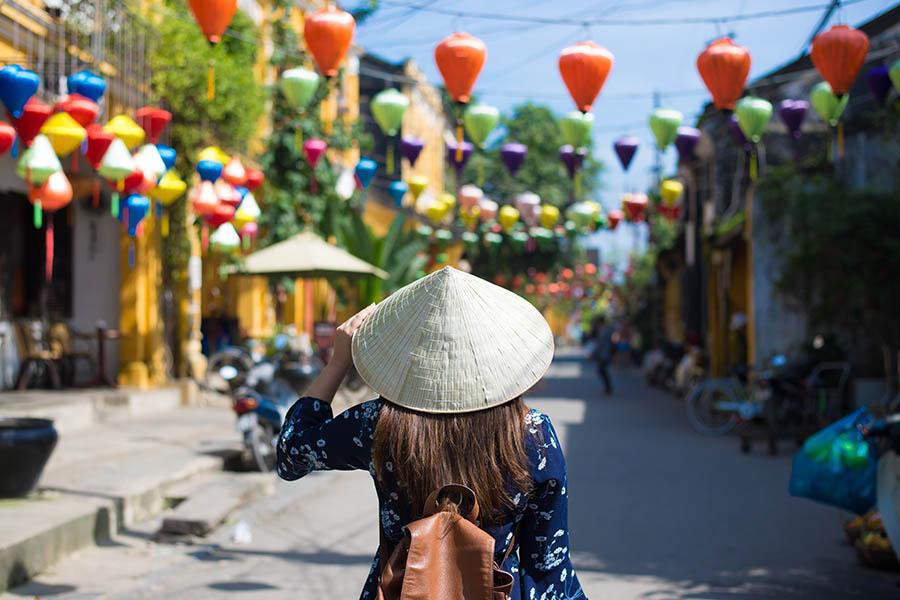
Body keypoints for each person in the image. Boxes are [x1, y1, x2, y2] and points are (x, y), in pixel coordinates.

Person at [277, 267, 584, 600]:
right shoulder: (534, 434)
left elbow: (291, 453)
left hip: (402, 589)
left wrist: (338, 362)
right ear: (497, 355)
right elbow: (549, 567)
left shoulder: (376, 423)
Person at [589, 314, 615, 395]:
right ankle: (608, 388)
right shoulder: (606, 329)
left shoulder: (604, 330)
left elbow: (600, 343)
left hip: (605, 353)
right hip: (604, 353)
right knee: (602, 370)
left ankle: (608, 388)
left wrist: (593, 353)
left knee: (602, 370)